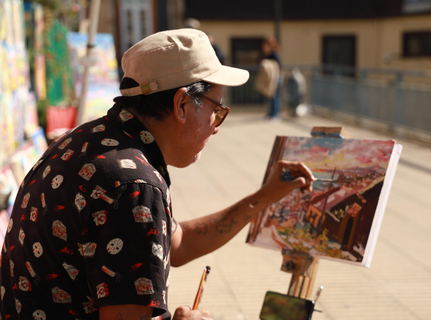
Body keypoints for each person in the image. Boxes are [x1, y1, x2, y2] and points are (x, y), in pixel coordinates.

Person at [0, 28, 314, 320]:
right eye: (216, 110)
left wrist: (263, 198)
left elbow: (178, 243)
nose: (216, 127)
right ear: (181, 104)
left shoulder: (87, 140)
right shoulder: (133, 184)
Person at [259, 37, 282, 120]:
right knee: (270, 97)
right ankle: (271, 113)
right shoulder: (267, 54)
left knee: (275, 97)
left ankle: (275, 114)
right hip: (271, 79)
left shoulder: (274, 55)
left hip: (276, 78)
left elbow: (276, 67)